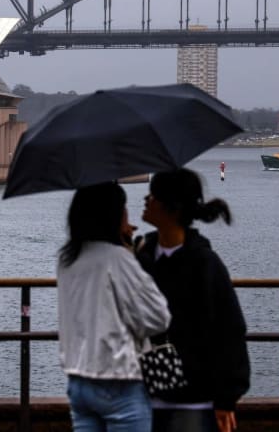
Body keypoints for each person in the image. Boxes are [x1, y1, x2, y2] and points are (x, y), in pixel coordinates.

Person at [135, 168, 250, 432]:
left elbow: (229, 331)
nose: (146, 200)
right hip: (144, 393)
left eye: (153, 196)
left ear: (172, 208)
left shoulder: (205, 263)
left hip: (193, 398)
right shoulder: (142, 256)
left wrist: (226, 397)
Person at [57, 182, 171, 431]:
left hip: (78, 379)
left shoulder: (67, 260)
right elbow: (158, 318)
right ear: (114, 215)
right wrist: (131, 255)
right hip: (118, 380)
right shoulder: (118, 259)